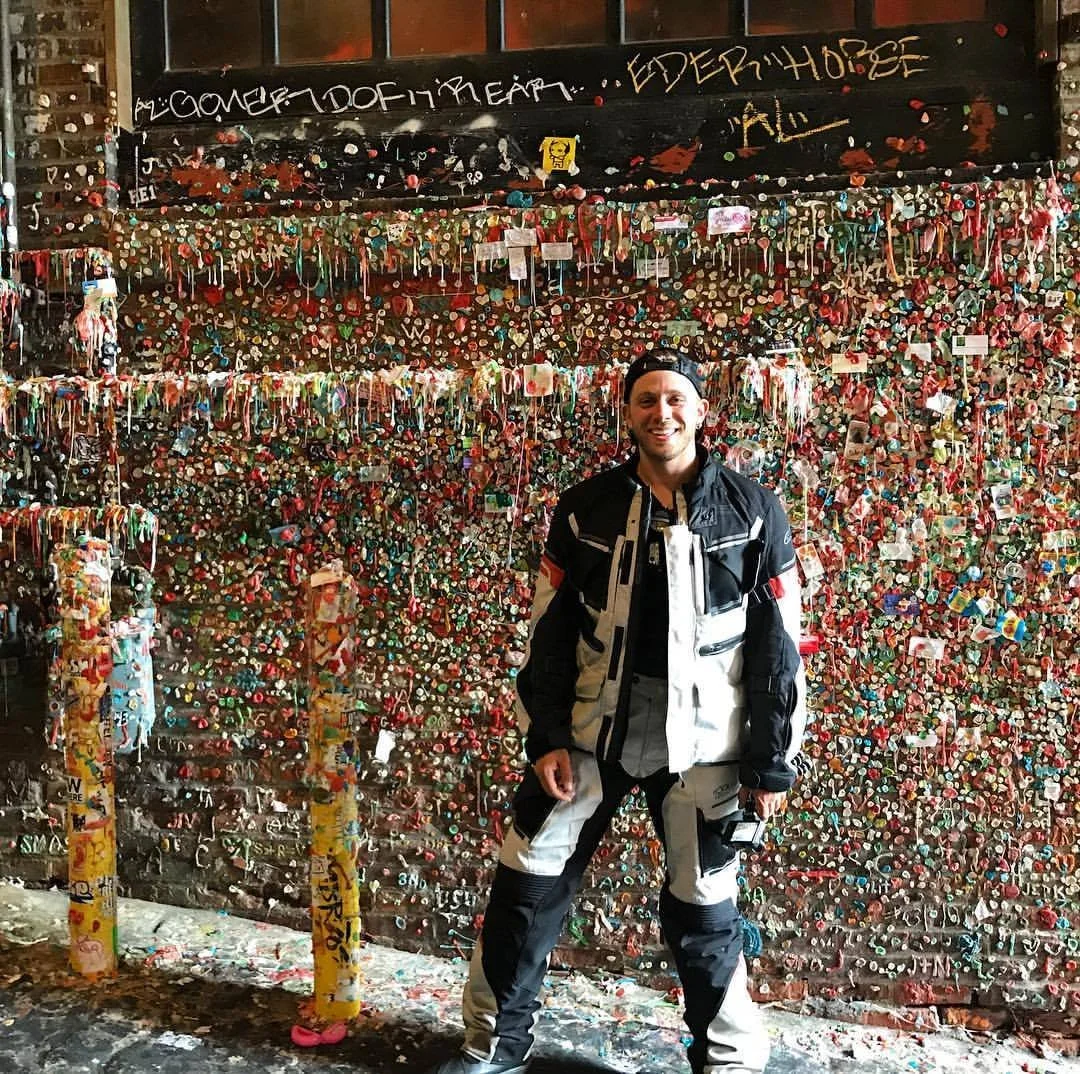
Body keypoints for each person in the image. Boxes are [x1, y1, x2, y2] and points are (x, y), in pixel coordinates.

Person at [427, 351, 807, 1074]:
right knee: (525, 881)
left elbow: (779, 646)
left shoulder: (755, 510)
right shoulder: (585, 507)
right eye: (646, 400)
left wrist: (771, 765)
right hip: (590, 733)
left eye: (675, 399)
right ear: (627, 414)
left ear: (700, 411)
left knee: (706, 907)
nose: (661, 413)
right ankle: (490, 1047)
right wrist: (545, 737)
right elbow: (548, 632)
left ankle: (729, 1063)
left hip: (706, 743)